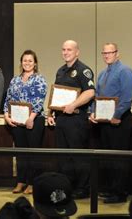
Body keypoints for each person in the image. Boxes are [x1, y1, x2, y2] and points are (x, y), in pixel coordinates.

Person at [47, 40, 95, 199]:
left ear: (77, 52)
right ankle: (68, 186)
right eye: (63, 49)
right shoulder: (60, 71)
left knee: (77, 155)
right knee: (63, 156)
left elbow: (90, 92)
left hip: (76, 120)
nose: (66, 52)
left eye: (69, 50)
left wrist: (73, 104)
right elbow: (56, 95)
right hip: (61, 120)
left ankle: (82, 188)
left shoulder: (84, 70)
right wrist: (50, 113)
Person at [89, 43, 132, 204]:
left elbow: (127, 97)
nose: (107, 55)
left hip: (120, 120)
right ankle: (111, 189)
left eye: (110, 52)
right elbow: (97, 96)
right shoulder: (102, 74)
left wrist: (117, 115)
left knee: (119, 158)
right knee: (108, 157)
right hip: (104, 122)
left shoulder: (125, 71)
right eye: (104, 53)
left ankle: (120, 192)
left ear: (117, 54)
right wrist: (93, 112)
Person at [4, 50, 47, 195]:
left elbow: (39, 100)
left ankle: (32, 183)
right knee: (21, 152)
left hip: (34, 121)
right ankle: (21, 181)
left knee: (32, 153)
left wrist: (31, 117)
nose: (27, 63)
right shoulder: (15, 80)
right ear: (21, 62)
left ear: (35, 63)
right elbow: (8, 99)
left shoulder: (39, 79)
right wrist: (6, 115)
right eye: (24, 60)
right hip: (17, 121)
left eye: (30, 61)